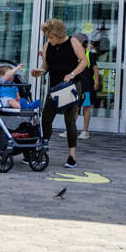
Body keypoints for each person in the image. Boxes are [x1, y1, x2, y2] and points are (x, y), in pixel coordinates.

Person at [32, 18, 89, 168]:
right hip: (54, 87)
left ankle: (72, 156)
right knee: (46, 118)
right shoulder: (47, 46)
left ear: (59, 34)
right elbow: (45, 67)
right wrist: (40, 72)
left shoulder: (73, 42)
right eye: (48, 37)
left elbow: (84, 61)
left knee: (69, 120)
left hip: (70, 86)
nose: (49, 40)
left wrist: (71, 74)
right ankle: (41, 149)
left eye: (51, 37)